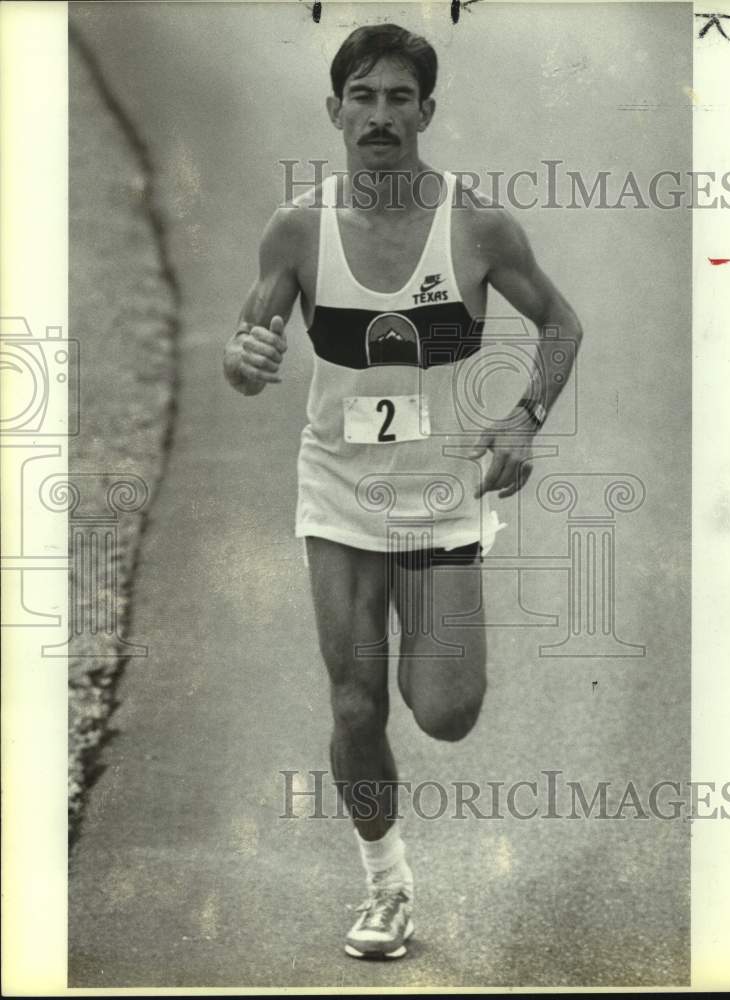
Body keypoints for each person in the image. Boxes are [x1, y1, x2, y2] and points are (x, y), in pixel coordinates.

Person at [223, 23, 583, 960]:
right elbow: (244, 348)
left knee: (447, 713)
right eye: (362, 96)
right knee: (353, 705)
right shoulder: (297, 228)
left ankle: (441, 659)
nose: (378, 116)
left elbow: (561, 324)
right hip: (337, 490)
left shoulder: (476, 226)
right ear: (333, 108)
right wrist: (244, 358)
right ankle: (386, 888)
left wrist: (523, 418)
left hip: (438, 499)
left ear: (426, 111)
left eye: (398, 99)